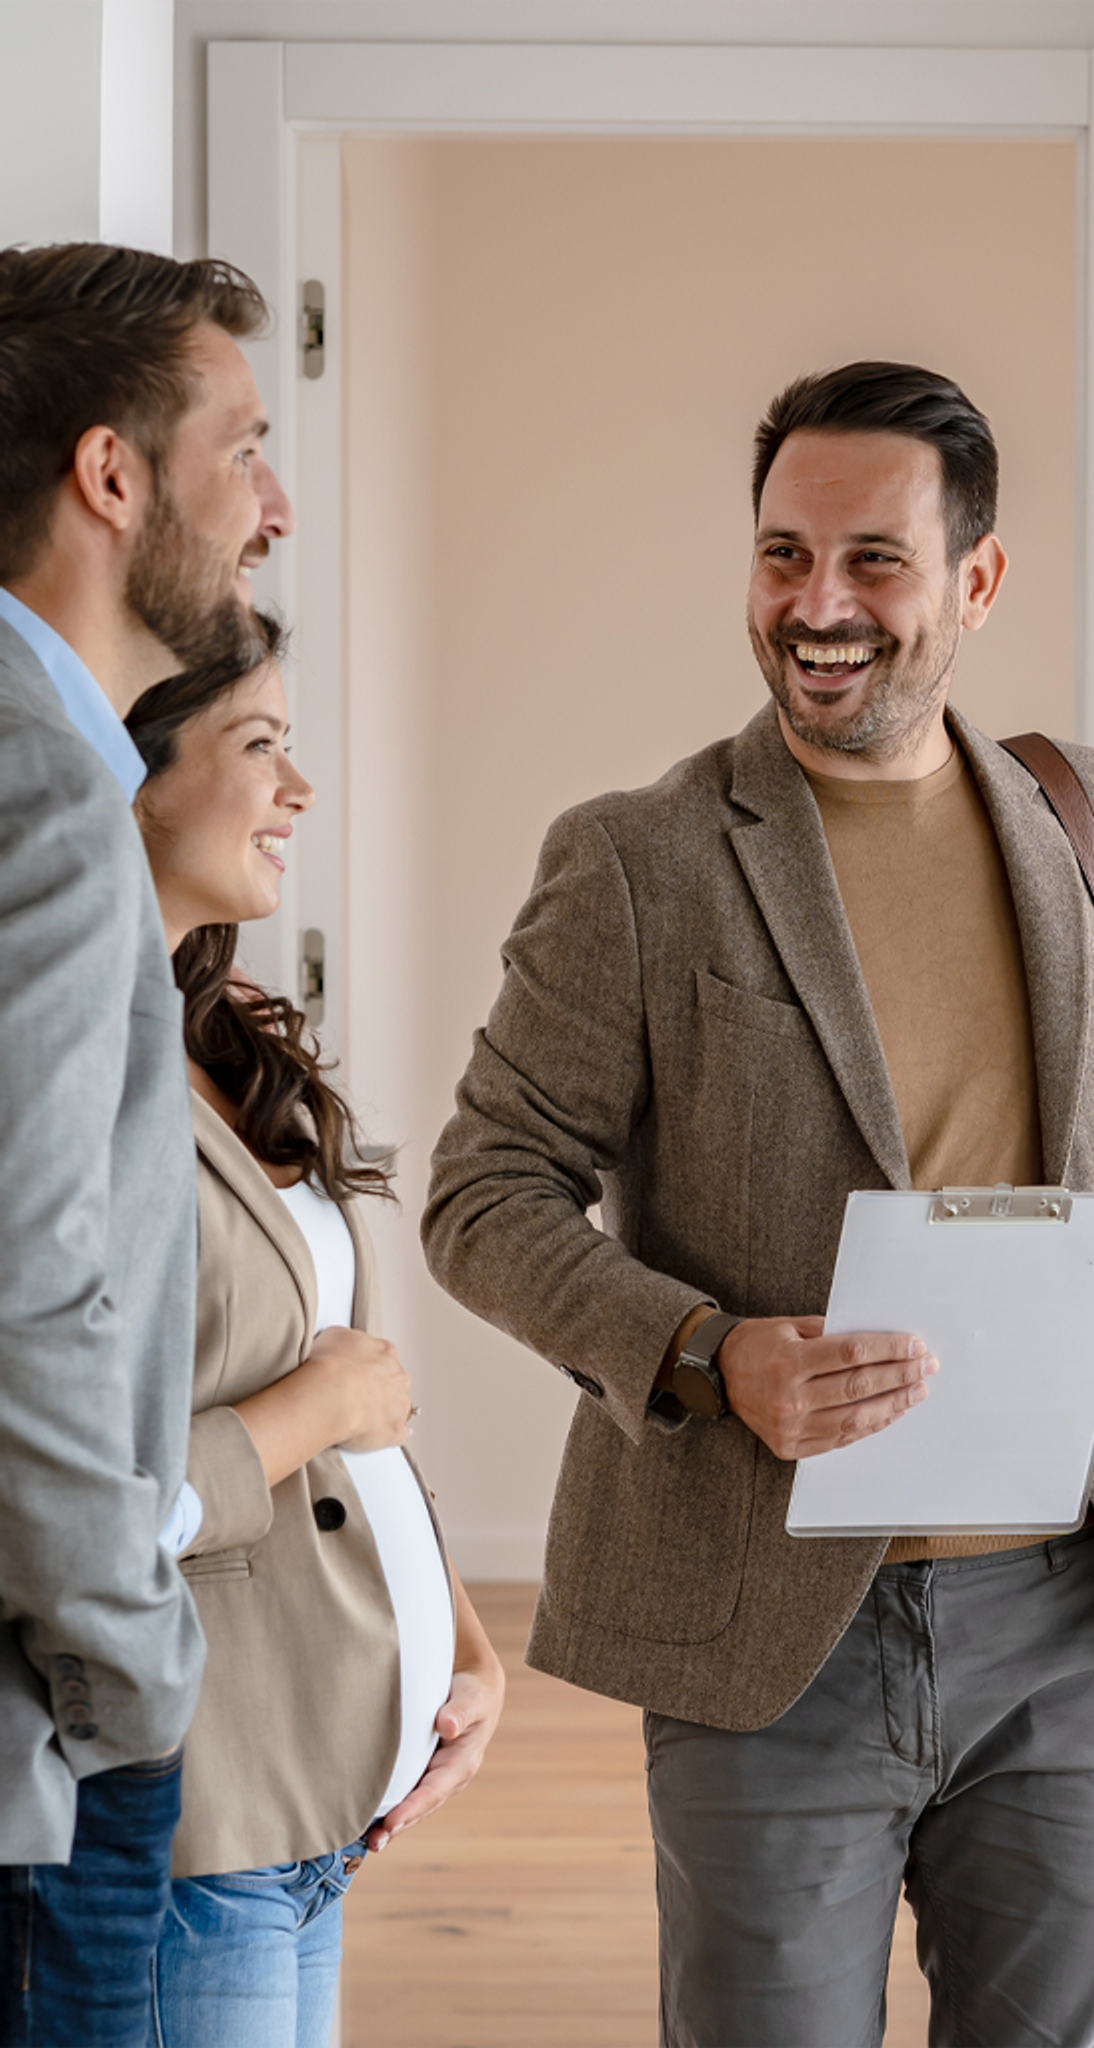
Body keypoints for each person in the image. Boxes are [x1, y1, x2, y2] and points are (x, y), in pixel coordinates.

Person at [422, 360, 1094, 2048]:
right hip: (766, 1614)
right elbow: (483, 1191)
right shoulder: (641, 859)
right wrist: (713, 1351)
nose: (818, 606)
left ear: (976, 583)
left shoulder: (1090, 824)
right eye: (784, 555)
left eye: (874, 560)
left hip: (1079, 1605)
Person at [121, 626, 505, 2046]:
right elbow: (77, 1505)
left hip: (321, 1805)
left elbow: (364, 1396)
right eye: (260, 746)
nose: (301, 791)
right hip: (195, 1819)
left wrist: (460, 1640)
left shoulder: (216, 1048)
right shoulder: (54, 1077)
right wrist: (319, 1406)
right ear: (132, 772)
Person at [0, 242, 293, 2044]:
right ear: (113, 475)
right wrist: (133, 1674)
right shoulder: (42, 790)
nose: (273, 507)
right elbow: (35, 1287)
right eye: (245, 449)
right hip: (49, 1748)